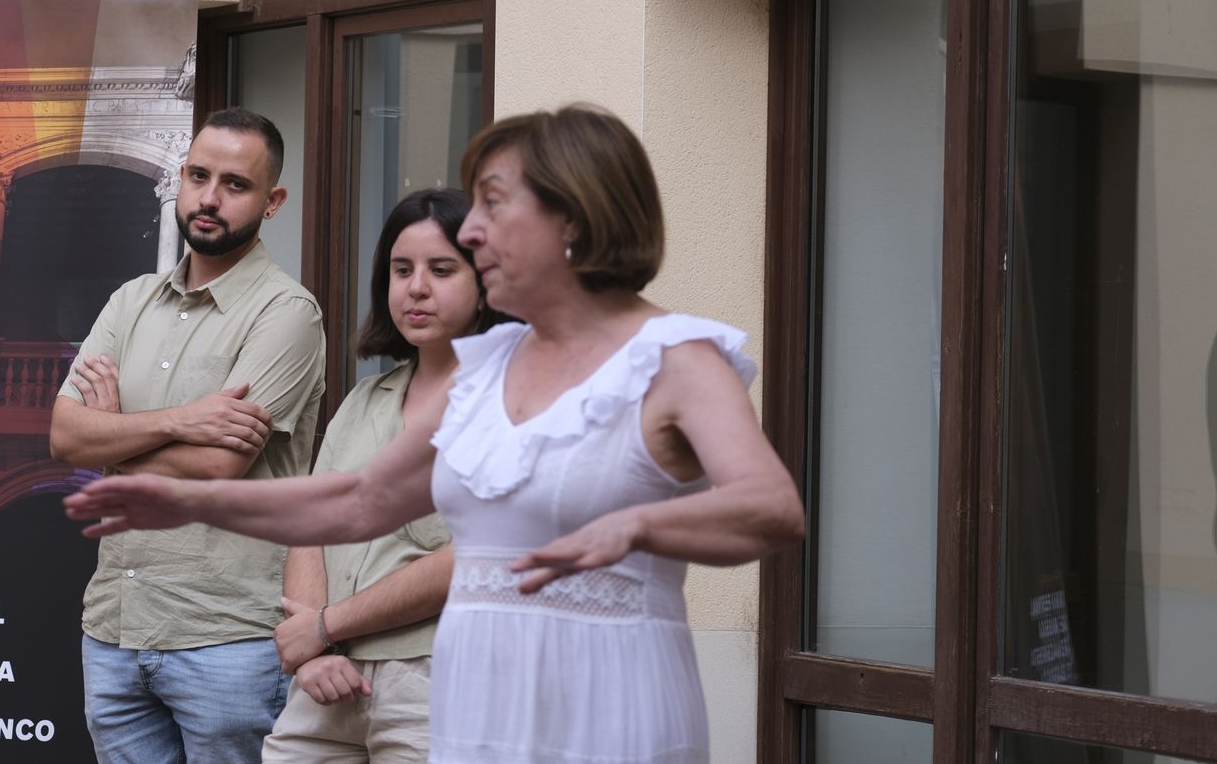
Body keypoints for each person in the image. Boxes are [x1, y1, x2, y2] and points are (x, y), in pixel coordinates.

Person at [64, 104, 806, 763]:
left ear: (572, 220)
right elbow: (356, 502)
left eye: (490, 204)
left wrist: (638, 523)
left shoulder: (676, 356)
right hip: (476, 706)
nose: (473, 228)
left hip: (602, 704)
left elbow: (771, 507)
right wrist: (192, 501)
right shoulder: (493, 364)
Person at [49, 107, 326, 764]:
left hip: (226, 636)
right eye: (199, 175)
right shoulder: (130, 301)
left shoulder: (286, 315)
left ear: (273, 200)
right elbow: (65, 435)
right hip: (114, 628)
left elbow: (215, 463)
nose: (209, 197)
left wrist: (113, 434)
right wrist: (178, 418)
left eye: (235, 184)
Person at [262, 188, 502, 763]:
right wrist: (314, 653)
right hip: (325, 680)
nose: (416, 287)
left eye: (442, 270)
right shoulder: (366, 398)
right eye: (401, 269)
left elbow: (477, 556)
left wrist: (324, 626)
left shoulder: (510, 403)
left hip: (436, 677)